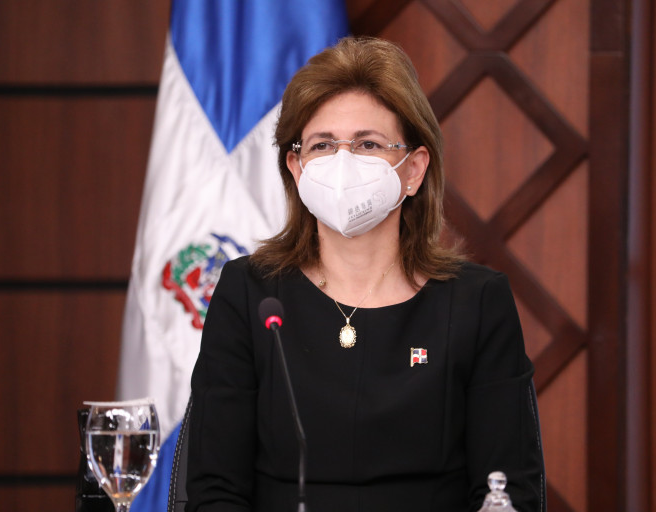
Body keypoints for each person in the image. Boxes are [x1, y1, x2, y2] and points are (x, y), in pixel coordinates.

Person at [185, 37, 546, 512]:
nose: (342, 163)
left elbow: (509, 490)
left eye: (367, 144)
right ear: (296, 168)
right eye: (322, 145)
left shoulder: (477, 302)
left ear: (413, 170)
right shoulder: (250, 293)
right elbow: (215, 491)